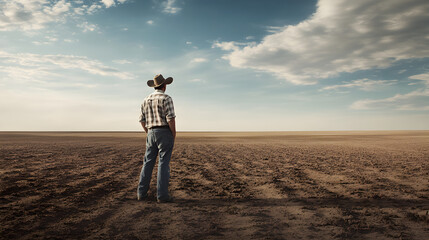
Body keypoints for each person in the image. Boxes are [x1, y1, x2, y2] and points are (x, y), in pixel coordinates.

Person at [137, 74, 176, 203]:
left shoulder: (145, 100)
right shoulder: (166, 98)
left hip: (151, 132)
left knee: (148, 162)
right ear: (164, 86)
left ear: (155, 86)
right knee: (163, 163)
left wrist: (149, 132)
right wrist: (173, 134)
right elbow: (170, 118)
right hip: (164, 131)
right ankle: (162, 195)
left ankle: (141, 193)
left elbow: (141, 120)